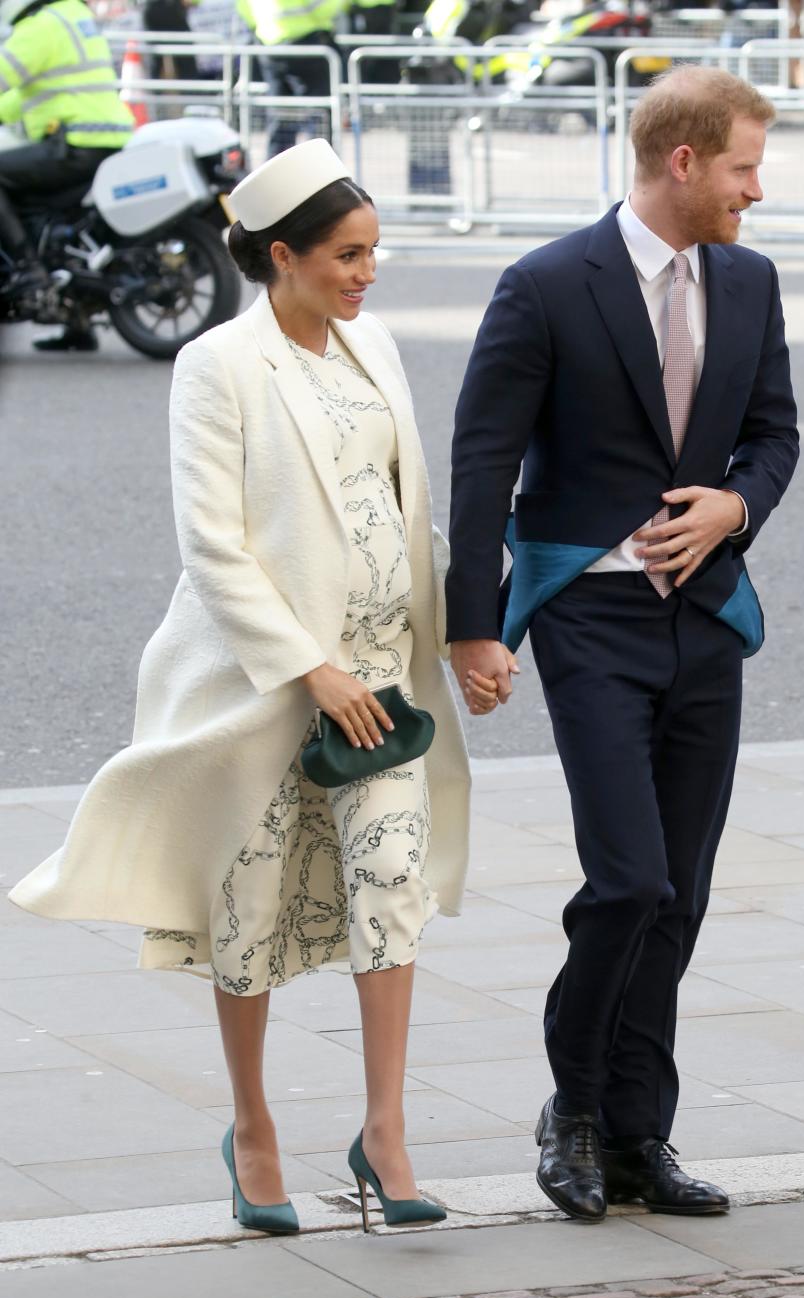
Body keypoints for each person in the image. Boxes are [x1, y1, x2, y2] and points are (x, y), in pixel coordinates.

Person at [9, 137, 488, 1235]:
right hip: (266, 684)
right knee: (253, 912)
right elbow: (212, 545)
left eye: (374, 253)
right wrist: (308, 670)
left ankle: (385, 1133)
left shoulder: (380, 352)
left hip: (383, 682)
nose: (369, 274)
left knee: (391, 888)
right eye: (348, 255)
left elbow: (407, 511)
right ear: (284, 255)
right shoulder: (217, 364)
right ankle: (254, 1128)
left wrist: (466, 634)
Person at [445, 67, 799, 1222]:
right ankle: (576, 1108)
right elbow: (482, 461)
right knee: (629, 878)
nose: (760, 188)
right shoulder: (546, 284)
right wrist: (473, 627)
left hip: (706, 616)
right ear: (685, 162)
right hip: (590, 616)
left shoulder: (750, 281)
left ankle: (643, 1135)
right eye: (745, 165)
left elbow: (774, 435)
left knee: (682, 891)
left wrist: (734, 507)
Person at [0, 0, 135, 349]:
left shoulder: (40, 26)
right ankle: (78, 323)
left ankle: (27, 271)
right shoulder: (75, 16)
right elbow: (29, 93)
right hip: (105, 138)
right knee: (47, 212)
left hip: (75, 142)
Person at [236, 0, 343, 157]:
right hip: (308, 44)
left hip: (269, 44)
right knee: (318, 116)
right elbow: (324, 8)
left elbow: (244, 7)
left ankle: (276, 173)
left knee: (280, 117)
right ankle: (321, 171)